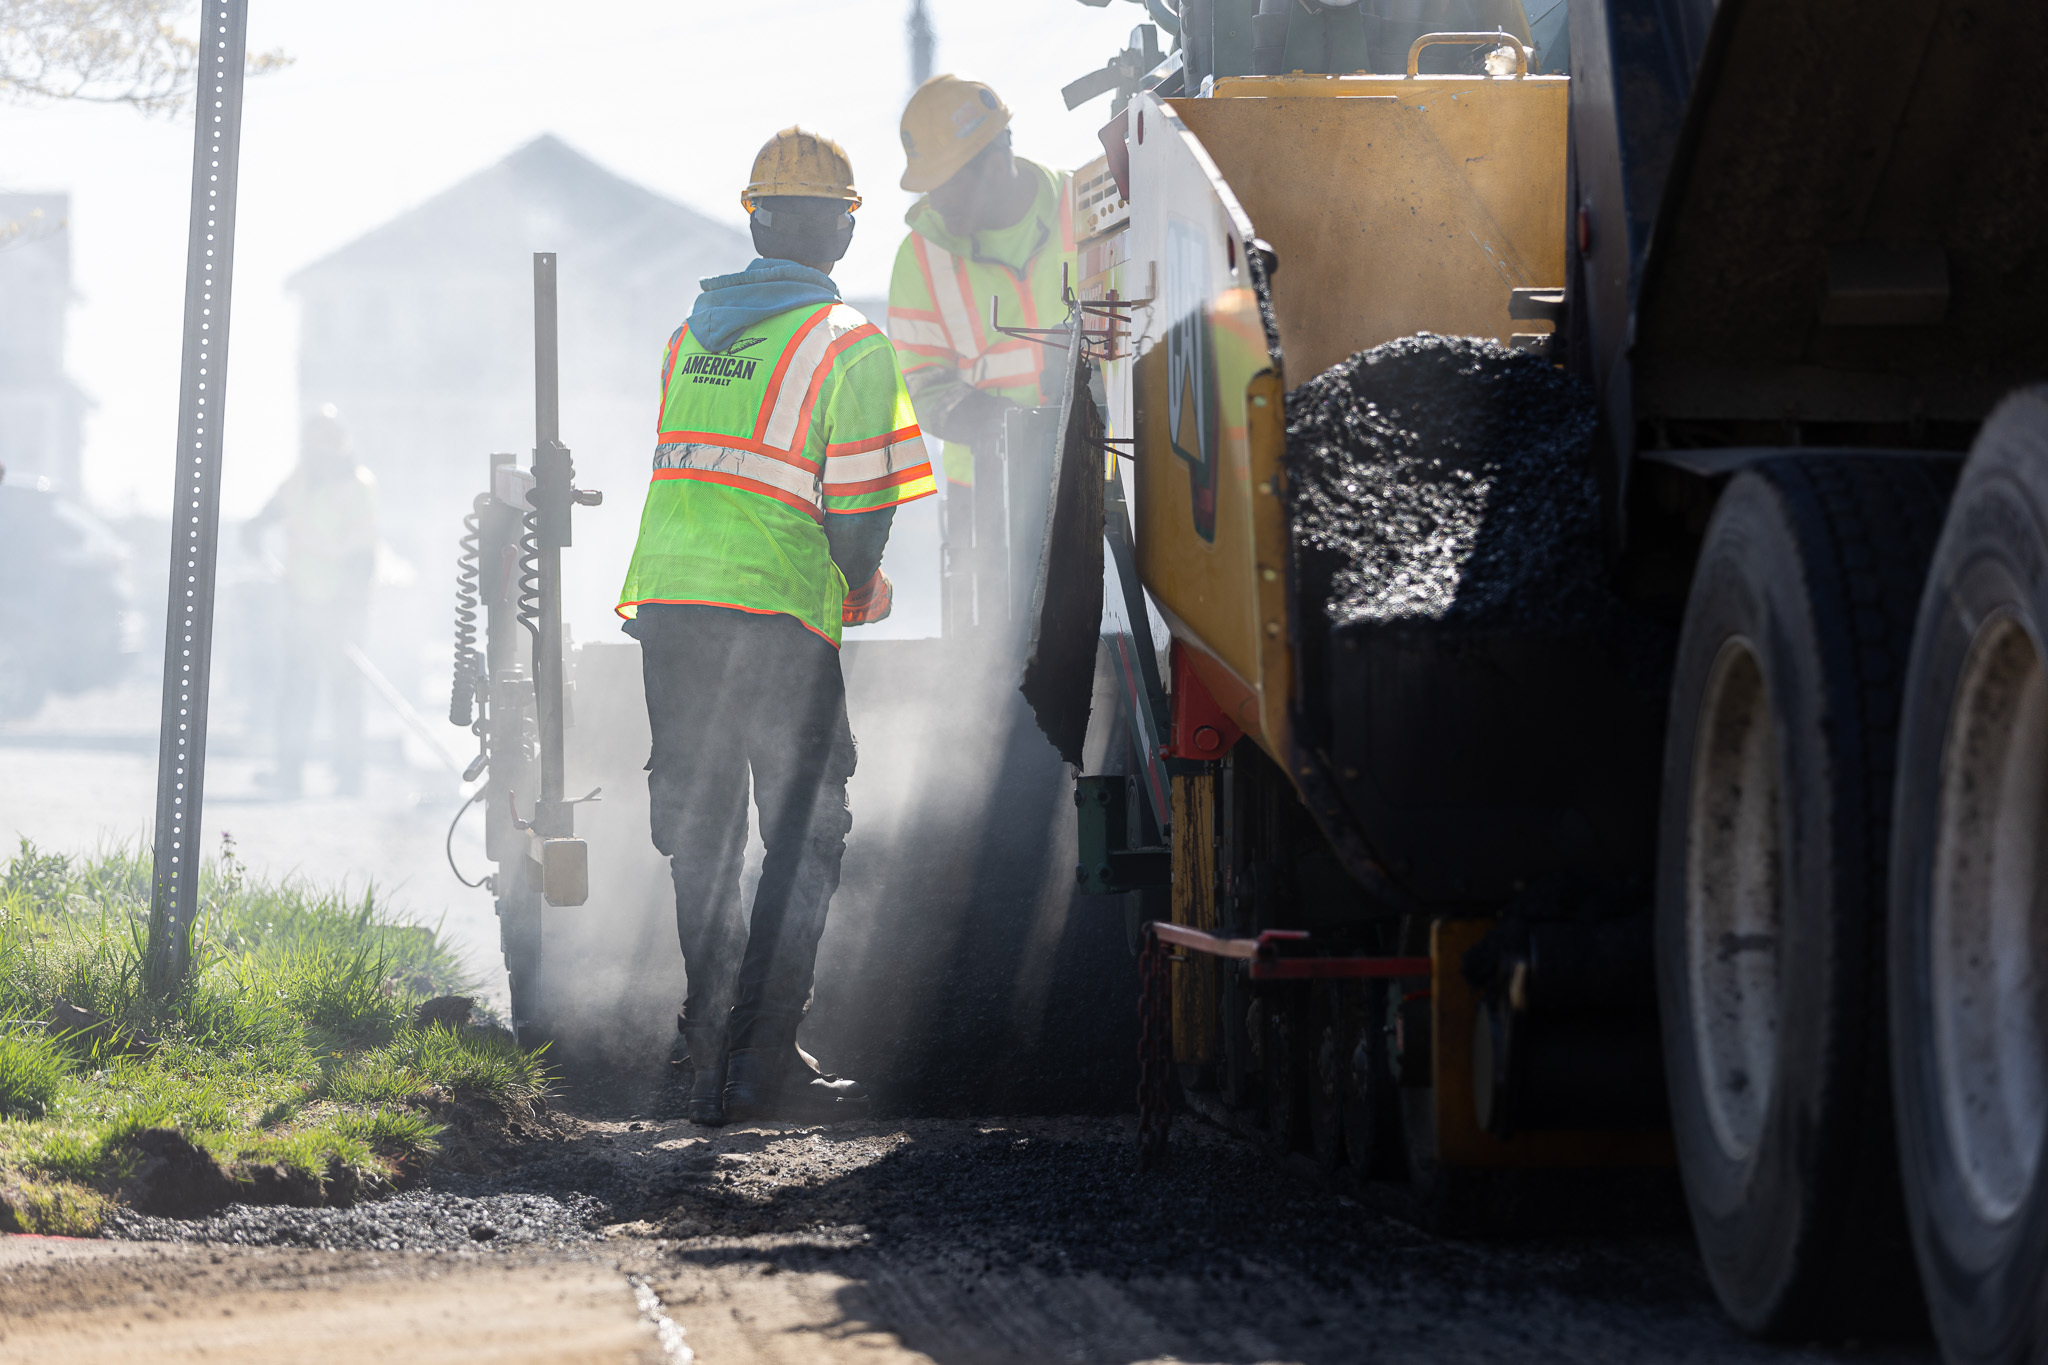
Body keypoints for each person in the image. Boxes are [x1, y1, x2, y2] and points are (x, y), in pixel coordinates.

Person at [616, 127, 935, 1126]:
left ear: (754, 218)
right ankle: (757, 1066)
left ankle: (700, 1049)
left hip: (669, 605)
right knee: (803, 833)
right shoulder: (850, 343)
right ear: (842, 227)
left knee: (701, 830)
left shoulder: (689, 335)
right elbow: (857, 504)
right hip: (776, 613)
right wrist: (860, 581)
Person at [886, 76, 1075, 604]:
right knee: (990, 655)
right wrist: (1008, 437)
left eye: (946, 181)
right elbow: (919, 385)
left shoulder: (1087, 210)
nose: (936, 199)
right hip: (982, 494)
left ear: (995, 163)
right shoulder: (921, 256)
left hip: (1101, 479)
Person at [244, 405, 377, 798]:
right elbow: (273, 511)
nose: (324, 447)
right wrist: (254, 527)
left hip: (342, 609)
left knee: (345, 692)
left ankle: (350, 776)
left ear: (343, 443)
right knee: (297, 689)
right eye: (317, 438)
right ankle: (289, 772)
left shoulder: (359, 487)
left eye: (331, 439)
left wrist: (345, 606)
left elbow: (363, 555)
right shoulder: (299, 481)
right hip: (302, 604)